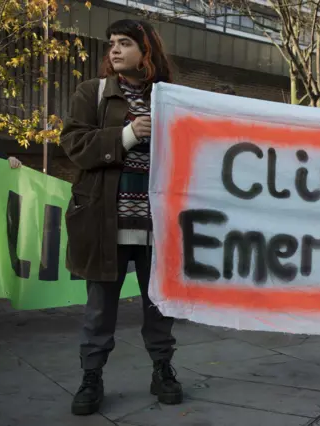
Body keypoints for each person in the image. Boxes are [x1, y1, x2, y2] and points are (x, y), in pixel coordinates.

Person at [60, 19, 182, 416]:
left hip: (157, 227)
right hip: (105, 224)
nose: (114, 50)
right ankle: (91, 376)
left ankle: (162, 369)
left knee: (159, 307)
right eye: (111, 43)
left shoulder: (170, 99)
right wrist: (128, 134)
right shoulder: (91, 93)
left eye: (125, 43)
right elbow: (74, 145)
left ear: (146, 51)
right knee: (99, 311)